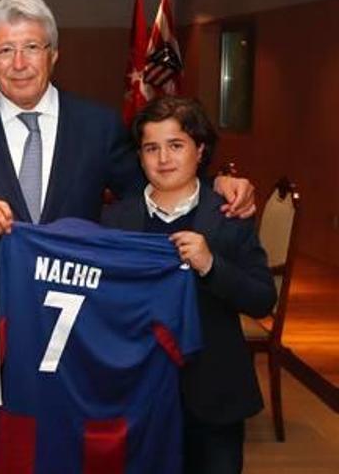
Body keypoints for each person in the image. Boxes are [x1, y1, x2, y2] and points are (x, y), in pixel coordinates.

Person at [0, 0, 257, 473]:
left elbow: (159, 190)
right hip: (3, 341)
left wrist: (217, 185)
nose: (19, 63)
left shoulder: (99, 124)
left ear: (54, 54)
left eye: (32, 48)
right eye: (5, 50)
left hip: (86, 339)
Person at [102, 96, 276, 474]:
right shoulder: (114, 219)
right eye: (152, 148)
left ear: (200, 150)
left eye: (176, 145)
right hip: (137, 395)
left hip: (214, 392)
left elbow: (262, 299)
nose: (163, 159)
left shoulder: (229, 212)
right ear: (139, 156)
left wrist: (211, 265)